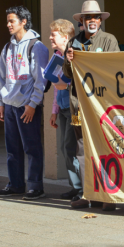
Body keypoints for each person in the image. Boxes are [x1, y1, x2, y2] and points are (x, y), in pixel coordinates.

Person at [62, 0, 120, 211]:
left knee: (105, 146)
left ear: (100, 20)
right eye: (88, 18)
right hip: (79, 106)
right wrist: (69, 61)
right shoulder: (73, 42)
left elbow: (115, 68)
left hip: (102, 106)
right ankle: (88, 194)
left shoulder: (109, 40)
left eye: (95, 17)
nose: (92, 21)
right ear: (82, 21)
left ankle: (109, 195)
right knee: (82, 150)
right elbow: (67, 75)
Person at [0, 6, 49, 200]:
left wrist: (33, 104)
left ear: (24, 22)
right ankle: (16, 184)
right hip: (10, 104)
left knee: (32, 147)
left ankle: (35, 186)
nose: (8, 25)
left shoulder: (36, 46)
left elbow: (41, 79)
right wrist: (0, 102)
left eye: (12, 21)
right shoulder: (7, 47)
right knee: (12, 148)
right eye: (7, 21)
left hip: (27, 106)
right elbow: (1, 76)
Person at [48, 19, 82, 201]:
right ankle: (75, 186)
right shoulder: (57, 56)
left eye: (54, 35)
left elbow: (75, 83)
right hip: (62, 109)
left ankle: (81, 188)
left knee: (71, 148)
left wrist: (64, 86)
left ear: (65, 36)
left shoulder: (73, 55)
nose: (50, 38)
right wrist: (54, 111)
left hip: (73, 109)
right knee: (65, 148)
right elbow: (56, 86)